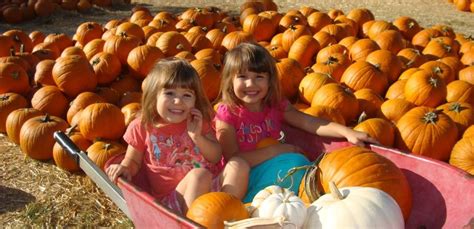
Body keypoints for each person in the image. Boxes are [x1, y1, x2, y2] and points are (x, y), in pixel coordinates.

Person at [214, 42, 379, 203]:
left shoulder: (275, 105)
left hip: (268, 171)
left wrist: (347, 132)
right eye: (242, 77)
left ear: (269, 80)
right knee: (251, 165)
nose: (251, 84)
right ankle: (240, 210)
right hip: (236, 180)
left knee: (299, 164)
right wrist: (278, 150)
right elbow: (233, 158)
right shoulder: (228, 113)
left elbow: (309, 122)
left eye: (259, 77)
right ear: (230, 81)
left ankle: (267, 206)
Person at [106, 58, 249, 214]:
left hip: (212, 188)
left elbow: (215, 157)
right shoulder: (142, 126)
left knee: (239, 164)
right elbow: (133, 161)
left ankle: (224, 212)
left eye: (186, 95)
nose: (178, 101)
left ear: (196, 99)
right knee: (199, 175)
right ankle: (193, 222)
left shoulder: (198, 120)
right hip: (174, 200)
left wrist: (197, 136)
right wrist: (125, 168)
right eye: (169, 93)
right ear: (154, 96)